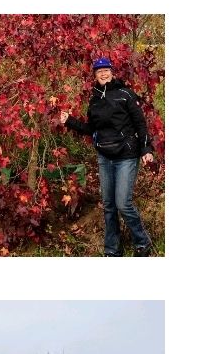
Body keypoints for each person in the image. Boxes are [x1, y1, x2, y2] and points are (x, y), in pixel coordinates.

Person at [60, 57, 154, 257]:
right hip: (105, 156)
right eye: (99, 71)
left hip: (126, 155)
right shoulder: (94, 99)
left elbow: (140, 123)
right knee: (109, 205)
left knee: (123, 203)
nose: (103, 74)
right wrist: (70, 121)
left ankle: (142, 242)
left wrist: (146, 149)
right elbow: (90, 128)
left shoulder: (125, 94)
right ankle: (112, 249)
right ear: (95, 75)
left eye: (106, 70)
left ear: (112, 72)